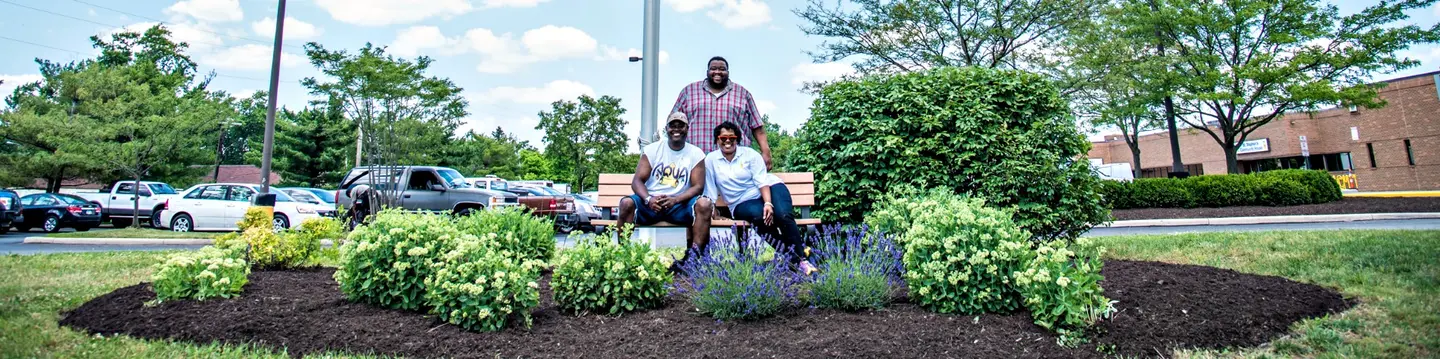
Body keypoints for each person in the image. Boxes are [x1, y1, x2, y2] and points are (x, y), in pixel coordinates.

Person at [704, 121, 817, 275]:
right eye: (723, 138)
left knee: (783, 215)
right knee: (759, 217)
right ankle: (798, 255)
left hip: (770, 187)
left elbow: (762, 181)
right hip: (741, 202)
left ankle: (798, 258)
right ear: (717, 140)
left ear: (737, 139)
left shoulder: (750, 154)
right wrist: (713, 209)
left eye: (732, 137)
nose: (728, 141)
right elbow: (710, 187)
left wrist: (768, 203)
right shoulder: (711, 160)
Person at [619, 112, 713, 271]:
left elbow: (698, 186)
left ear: (687, 129)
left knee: (704, 204)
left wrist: (675, 200)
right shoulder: (652, 150)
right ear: (666, 129)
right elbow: (637, 181)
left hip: (679, 205)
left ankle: (694, 260)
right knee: (626, 203)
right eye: (672, 125)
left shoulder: (695, 153)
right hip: (651, 204)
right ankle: (624, 258)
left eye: (681, 126)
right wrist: (649, 199)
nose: (676, 129)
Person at [669, 56, 774, 170]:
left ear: (728, 72)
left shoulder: (743, 94)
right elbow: (672, 123)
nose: (717, 72)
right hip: (695, 161)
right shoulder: (689, 92)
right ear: (707, 72)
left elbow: (757, 127)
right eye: (713, 68)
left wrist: (766, 151)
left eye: (722, 69)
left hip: (736, 163)